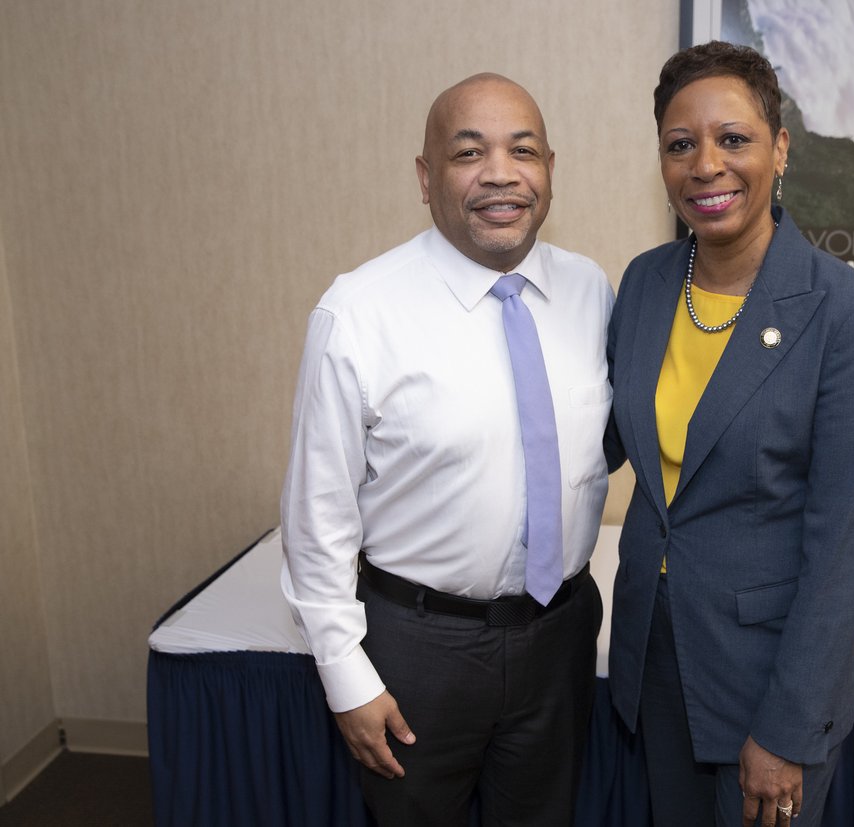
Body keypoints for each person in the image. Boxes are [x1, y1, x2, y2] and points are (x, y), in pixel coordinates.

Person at [280, 72, 613, 826]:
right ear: (427, 178)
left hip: (559, 637)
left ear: (550, 170)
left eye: (522, 150)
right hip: (417, 649)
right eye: (470, 152)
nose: (501, 172)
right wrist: (346, 677)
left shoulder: (592, 293)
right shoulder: (358, 312)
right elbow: (316, 515)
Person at [604, 42, 854, 827]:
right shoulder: (645, 284)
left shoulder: (847, 314)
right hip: (653, 662)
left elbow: (845, 548)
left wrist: (786, 729)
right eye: (680, 144)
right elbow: (598, 441)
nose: (706, 164)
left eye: (733, 139)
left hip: (766, 686)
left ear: (780, 149)